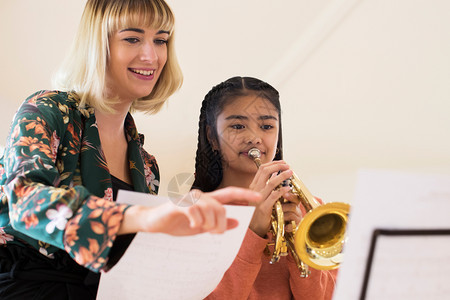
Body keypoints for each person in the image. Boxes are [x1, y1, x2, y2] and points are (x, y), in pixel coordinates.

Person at [0, 2, 261, 299]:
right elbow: (24, 200)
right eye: (132, 38)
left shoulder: (147, 167)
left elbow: (131, 263)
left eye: (160, 40)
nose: (151, 55)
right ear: (98, 45)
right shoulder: (47, 110)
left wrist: (185, 220)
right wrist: (142, 216)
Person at [192, 76, 337, 300]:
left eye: (267, 126)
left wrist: (303, 250)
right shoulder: (192, 215)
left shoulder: (311, 210)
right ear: (212, 136)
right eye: (238, 126)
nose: (254, 138)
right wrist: (253, 232)